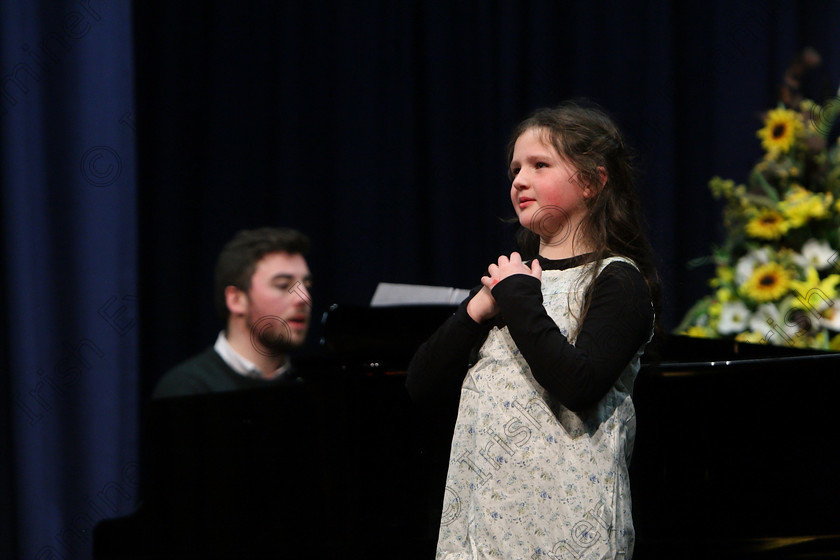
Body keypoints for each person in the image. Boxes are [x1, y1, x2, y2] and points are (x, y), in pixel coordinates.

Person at [406, 101, 660, 559]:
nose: (520, 180)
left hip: (567, 525)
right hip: (482, 526)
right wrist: (476, 310)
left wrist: (519, 296)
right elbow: (420, 383)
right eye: (516, 169)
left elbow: (577, 384)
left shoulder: (617, 279)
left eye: (540, 165)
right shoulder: (513, 282)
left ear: (592, 181)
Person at [153, 227, 313, 399]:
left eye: (307, 286)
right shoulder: (187, 388)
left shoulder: (316, 387)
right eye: (282, 285)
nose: (304, 298)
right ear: (236, 300)